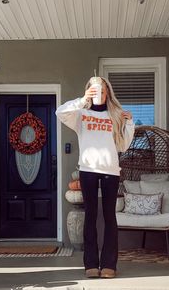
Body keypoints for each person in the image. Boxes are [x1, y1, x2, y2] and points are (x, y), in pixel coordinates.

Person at [56, 76, 135, 278]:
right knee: (90, 216)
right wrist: (83, 99)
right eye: (93, 88)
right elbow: (60, 112)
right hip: (88, 170)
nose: (98, 92)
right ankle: (91, 264)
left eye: (101, 88)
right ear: (89, 91)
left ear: (107, 92)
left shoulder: (114, 115)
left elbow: (124, 146)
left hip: (110, 171)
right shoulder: (81, 114)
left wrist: (129, 123)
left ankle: (109, 265)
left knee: (110, 217)